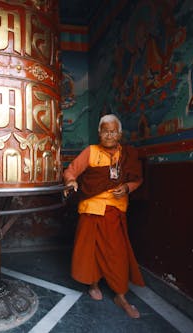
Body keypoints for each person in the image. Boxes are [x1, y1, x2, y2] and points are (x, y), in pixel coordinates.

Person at [63, 114, 145, 318]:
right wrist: (71, 181)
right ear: (99, 133)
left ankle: (120, 294)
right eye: (105, 131)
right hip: (92, 208)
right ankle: (93, 285)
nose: (109, 135)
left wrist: (127, 187)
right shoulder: (91, 152)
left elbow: (137, 179)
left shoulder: (127, 155)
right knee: (90, 250)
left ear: (120, 134)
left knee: (117, 252)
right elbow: (71, 171)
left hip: (115, 209)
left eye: (113, 131)